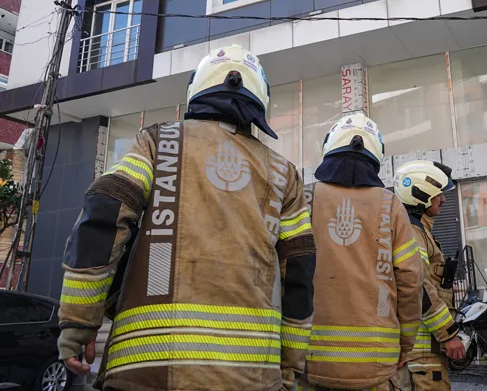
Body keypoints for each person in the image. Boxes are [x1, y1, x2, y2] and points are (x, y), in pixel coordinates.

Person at [57, 45, 316, 391]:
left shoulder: (158, 143)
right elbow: (299, 272)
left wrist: (78, 323)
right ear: (259, 99)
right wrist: (290, 366)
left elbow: (103, 217)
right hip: (250, 375)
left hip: (145, 369)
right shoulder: (284, 174)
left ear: (198, 89)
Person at [302, 113, 424, 391]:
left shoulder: (304, 198)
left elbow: (284, 273)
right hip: (378, 361)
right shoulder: (390, 204)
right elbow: (410, 278)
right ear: (375, 154)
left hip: (311, 357)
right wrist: (406, 342)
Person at [393, 160, 465, 390]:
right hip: (422, 352)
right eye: (439, 194)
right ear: (421, 195)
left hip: (423, 351)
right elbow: (419, 287)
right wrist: (449, 334)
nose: (443, 199)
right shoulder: (413, 232)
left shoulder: (417, 230)